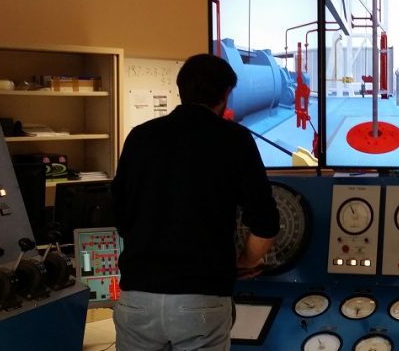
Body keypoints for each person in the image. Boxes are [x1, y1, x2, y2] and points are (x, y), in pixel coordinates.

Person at [112, 53, 280, 351]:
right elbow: (265, 223)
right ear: (226, 94)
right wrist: (244, 262)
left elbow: (120, 217)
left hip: (137, 299)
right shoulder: (235, 140)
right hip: (200, 300)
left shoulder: (139, 137)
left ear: (181, 89)